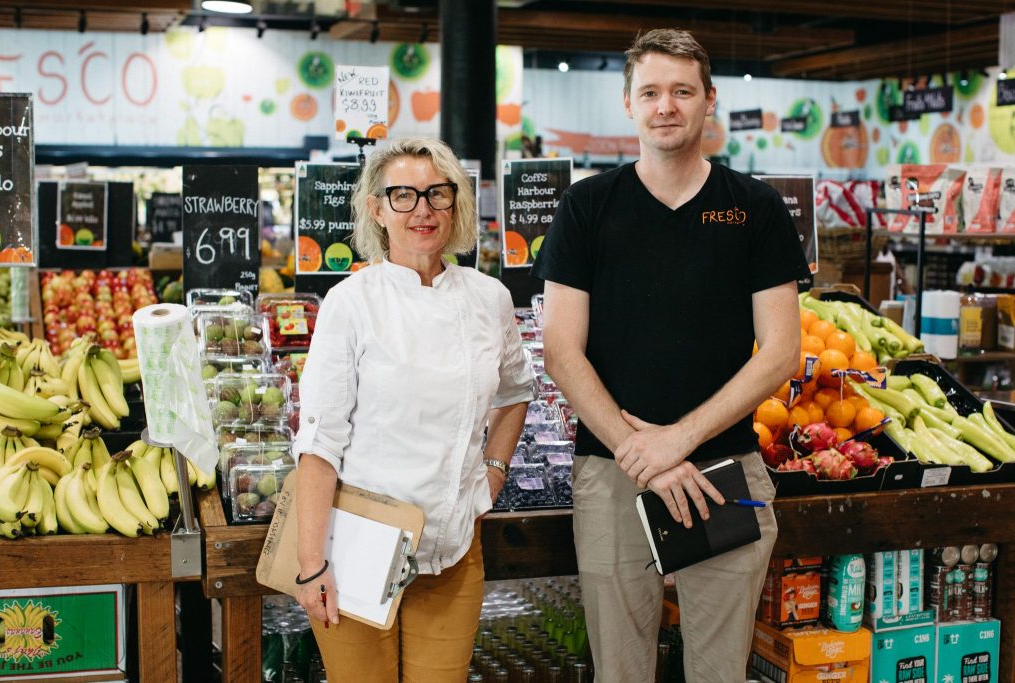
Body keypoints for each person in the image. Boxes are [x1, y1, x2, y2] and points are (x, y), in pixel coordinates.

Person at [531, 29, 810, 682]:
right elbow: (560, 351)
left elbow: (781, 351)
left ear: (708, 101)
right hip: (610, 473)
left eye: (682, 91)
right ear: (628, 103)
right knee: (620, 672)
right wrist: (642, 453)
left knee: (720, 670)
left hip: (727, 472)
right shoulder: (587, 207)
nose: (666, 105)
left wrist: (676, 442)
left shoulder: (753, 210)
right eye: (651, 91)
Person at [293, 137, 534, 682]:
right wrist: (312, 565)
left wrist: (492, 474)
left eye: (436, 194)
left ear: (456, 203)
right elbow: (319, 442)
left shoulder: (488, 298)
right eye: (403, 195)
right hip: (358, 548)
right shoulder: (350, 303)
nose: (422, 210)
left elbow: (517, 390)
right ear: (377, 209)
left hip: (451, 554)